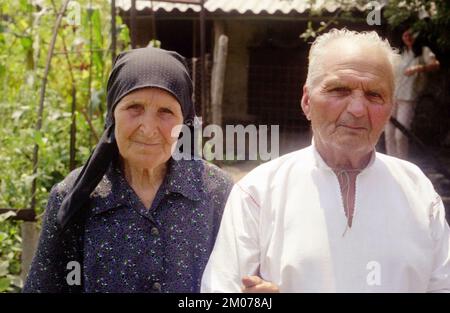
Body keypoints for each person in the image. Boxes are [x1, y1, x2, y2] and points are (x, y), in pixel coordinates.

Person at [201, 29, 450, 293]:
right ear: (307, 101)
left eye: (374, 95)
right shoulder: (258, 193)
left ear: (390, 107)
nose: (356, 109)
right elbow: (219, 290)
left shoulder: (418, 192)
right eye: (339, 90)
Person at [23, 47, 233, 293]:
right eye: (135, 107)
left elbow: (239, 280)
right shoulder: (73, 196)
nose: (148, 128)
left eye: (166, 112)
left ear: (184, 121)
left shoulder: (216, 192)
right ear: (112, 115)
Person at [384, 27, 440, 159]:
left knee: (401, 134)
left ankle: (402, 163)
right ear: (402, 37)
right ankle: (391, 162)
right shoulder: (401, 52)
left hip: (408, 97)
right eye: (405, 35)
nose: (408, 37)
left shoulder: (423, 51)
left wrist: (419, 68)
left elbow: (436, 64)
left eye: (411, 35)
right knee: (388, 133)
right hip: (393, 95)